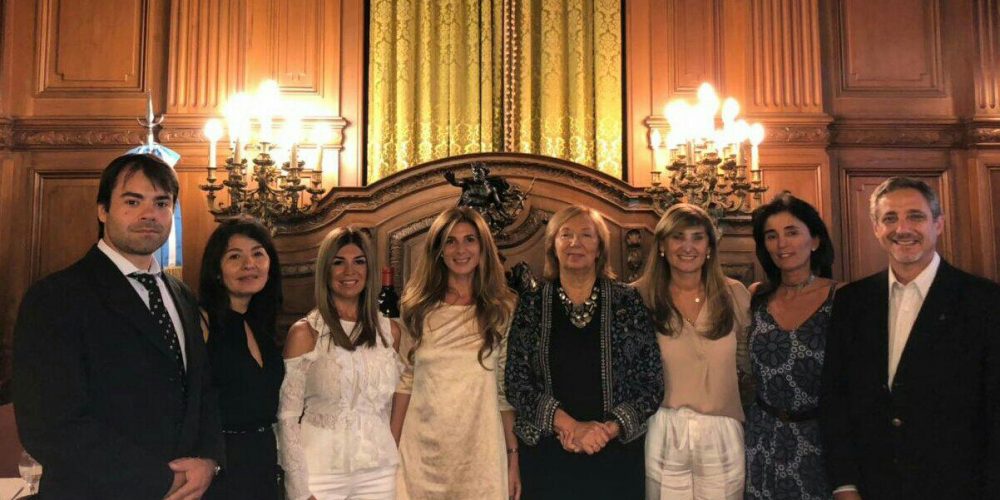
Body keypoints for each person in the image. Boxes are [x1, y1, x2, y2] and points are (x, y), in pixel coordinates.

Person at [12, 153, 223, 499]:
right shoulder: (56, 296)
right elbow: (49, 425)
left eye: (161, 203)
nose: (149, 214)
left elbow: (203, 390)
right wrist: (159, 479)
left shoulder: (182, 295)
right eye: (132, 201)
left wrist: (209, 460)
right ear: (102, 210)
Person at [820, 177, 1000, 500]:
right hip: (872, 488)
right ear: (876, 228)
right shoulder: (852, 302)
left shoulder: (984, 301)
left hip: (958, 488)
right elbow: (836, 398)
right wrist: (844, 485)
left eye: (915, 216)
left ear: (938, 224)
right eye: (890, 218)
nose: (902, 229)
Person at [505, 205, 663, 499]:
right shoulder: (532, 303)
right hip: (547, 457)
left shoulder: (627, 302)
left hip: (615, 456)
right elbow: (517, 382)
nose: (575, 243)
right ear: (553, 246)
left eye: (586, 235)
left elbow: (651, 382)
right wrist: (571, 427)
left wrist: (608, 430)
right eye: (566, 235)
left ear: (599, 248)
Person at [391, 207, 520, 499]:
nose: (460, 250)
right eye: (450, 241)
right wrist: (390, 449)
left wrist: (513, 457)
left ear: (483, 247)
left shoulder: (502, 309)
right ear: (439, 250)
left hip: (481, 456)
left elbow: (503, 391)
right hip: (420, 456)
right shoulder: (417, 307)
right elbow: (405, 381)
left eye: (469, 239)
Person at [632, 203, 752, 500]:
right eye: (678, 237)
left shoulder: (734, 294)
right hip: (663, 428)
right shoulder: (637, 296)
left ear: (709, 247)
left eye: (697, 237)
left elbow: (748, 364)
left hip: (722, 429)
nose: (688, 246)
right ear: (662, 245)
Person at [277, 227, 402, 500]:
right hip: (320, 473)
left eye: (359, 261)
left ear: (369, 269)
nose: (349, 271)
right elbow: (287, 417)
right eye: (338, 262)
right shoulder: (305, 333)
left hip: (379, 473)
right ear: (325, 270)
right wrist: (298, 488)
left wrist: (391, 451)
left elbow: (388, 407)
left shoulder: (389, 332)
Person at [743, 193, 836, 500]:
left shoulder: (841, 297)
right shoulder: (756, 296)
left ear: (815, 240)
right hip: (762, 437)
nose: (782, 244)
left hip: (820, 440)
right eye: (772, 236)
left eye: (792, 232)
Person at [199, 217, 285, 499]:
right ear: (216, 270)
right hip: (218, 464)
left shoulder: (263, 325)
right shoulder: (201, 321)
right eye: (235, 256)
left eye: (258, 254)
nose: (249, 265)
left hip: (262, 458)